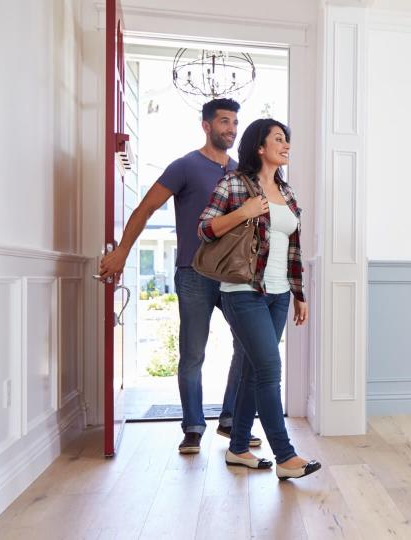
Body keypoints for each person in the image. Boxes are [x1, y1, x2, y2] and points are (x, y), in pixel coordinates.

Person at [97, 98, 262, 454]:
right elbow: (144, 209)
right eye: (223, 122)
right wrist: (122, 251)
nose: (231, 129)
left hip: (235, 277)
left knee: (248, 347)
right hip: (194, 273)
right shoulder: (185, 166)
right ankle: (192, 426)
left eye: (234, 123)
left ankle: (231, 419)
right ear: (206, 125)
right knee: (192, 354)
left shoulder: (240, 173)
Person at [198, 118, 321, 480]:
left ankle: (237, 449)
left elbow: (293, 248)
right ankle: (285, 457)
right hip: (243, 293)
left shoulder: (288, 191)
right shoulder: (234, 184)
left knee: (254, 371)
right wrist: (243, 212)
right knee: (269, 371)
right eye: (279, 139)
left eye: (288, 140)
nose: (286, 146)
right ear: (260, 147)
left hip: (279, 295)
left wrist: (300, 295)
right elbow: (204, 228)